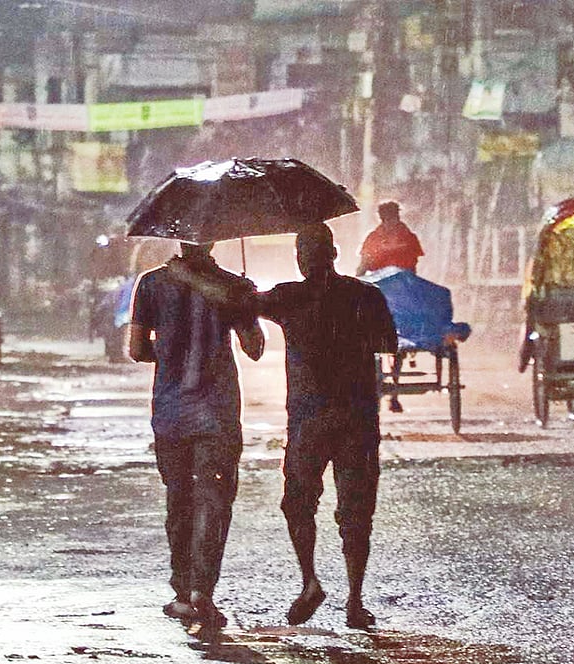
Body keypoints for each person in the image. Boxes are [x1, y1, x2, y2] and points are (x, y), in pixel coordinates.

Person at [169, 223, 398, 629]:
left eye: (303, 253)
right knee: (356, 511)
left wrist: (191, 276)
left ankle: (310, 580)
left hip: (308, 420)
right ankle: (355, 600)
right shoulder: (366, 296)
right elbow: (387, 344)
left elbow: (235, 303)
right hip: (358, 418)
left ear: (301, 259)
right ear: (334, 254)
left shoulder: (288, 297)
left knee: (298, 503)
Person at [127, 241, 264, 629]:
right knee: (214, 501)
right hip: (218, 414)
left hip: (171, 413)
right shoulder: (233, 286)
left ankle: (183, 592)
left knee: (179, 500)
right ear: (213, 240)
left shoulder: (151, 284)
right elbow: (254, 348)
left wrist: (172, 350)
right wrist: (244, 302)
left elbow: (137, 349)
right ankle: (203, 590)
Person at [355, 200, 425, 276]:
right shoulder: (373, 238)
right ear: (382, 220)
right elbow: (364, 264)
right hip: (379, 280)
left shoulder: (410, 238)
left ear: (398, 217)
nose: (392, 222)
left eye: (394, 218)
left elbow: (413, 266)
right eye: (388, 219)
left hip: (403, 279)